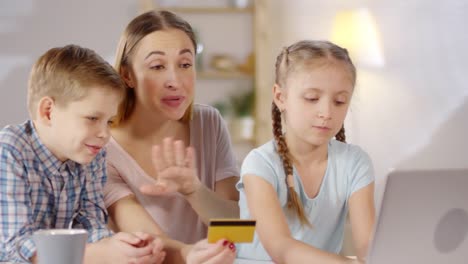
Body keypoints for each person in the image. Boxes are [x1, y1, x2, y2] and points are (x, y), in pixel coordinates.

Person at [0, 45, 165, 264]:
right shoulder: (9, 150)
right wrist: (99, 255)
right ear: (48, 111)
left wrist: (124, 245)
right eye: (92, 118)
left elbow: (91, 224)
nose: (105, 134)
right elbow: (14, 247)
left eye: (109, 121)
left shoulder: (91, 156)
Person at [103, 10, 239, 263]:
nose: (175, 80)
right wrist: (189, 254)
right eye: (157, 66)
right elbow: (145, 238)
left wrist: (194, 190)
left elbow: (236, 224)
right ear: (127, 75)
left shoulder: (208, 123)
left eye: (185, 64)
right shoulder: (103, 145)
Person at [236, 40, 375, 263]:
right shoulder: (259, 164)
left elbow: (368, 246)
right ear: (281, 98)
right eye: (312, 99)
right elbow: (281, 248)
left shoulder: (355, 162)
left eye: (339, 101)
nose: (326, 112)